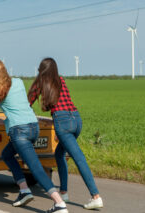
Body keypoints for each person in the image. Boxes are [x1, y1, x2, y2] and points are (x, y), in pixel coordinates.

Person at [0, 59, 68, 213]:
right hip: (33, 126)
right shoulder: (18, 82)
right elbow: (18, 108)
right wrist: (5, 122)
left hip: (19, 131)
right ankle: (24, 190)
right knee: (7, 154)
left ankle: (59, 204)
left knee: (35, 167)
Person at [28, 57, 103, 210]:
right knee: (59, 153)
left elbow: (28, 102)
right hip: (76, 119)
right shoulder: (60, 80)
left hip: (63, 121)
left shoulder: (40, 83)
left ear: (41, 70)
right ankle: (64, 192)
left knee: (78, 157)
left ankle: (95, 196)